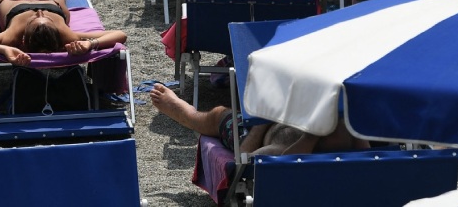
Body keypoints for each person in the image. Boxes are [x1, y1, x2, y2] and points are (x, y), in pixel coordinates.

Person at [150, 84, 370, 155]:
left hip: (262, 130)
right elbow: (372, 158)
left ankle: (184, 112)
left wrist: (261, 124)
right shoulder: (347, 130)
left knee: (219, 115)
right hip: (296, 112)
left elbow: (244, 161)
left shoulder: (284, 149)